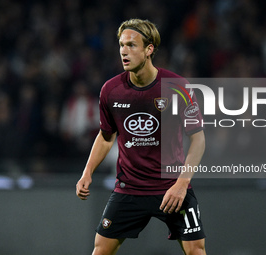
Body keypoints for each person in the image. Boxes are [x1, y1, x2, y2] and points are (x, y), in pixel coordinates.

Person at [76, 19, 207, 255]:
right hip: (130, 188)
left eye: (132, 45)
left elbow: (198, 139)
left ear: (149, 50)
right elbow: (106, 137)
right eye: (121, 45)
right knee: (100, 249)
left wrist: (182, 184)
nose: (124, 51)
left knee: (196, 250)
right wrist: (87, 172)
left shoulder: (178, 86)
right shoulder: (110, 90)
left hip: (172, 188)